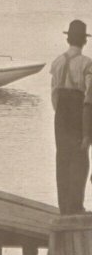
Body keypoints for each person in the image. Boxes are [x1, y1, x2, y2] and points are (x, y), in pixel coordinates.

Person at [50, 19, 92, 214]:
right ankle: (76, 206)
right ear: (84, 41)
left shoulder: (57, 62)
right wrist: (87, 131)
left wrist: (59, 114)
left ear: (69, 39)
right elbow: (89, 98)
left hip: (60, 115)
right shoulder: (86, 64)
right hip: (78, 113)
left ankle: (64, 206)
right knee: (80, 159)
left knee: (63, 158)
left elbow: (54, 94)